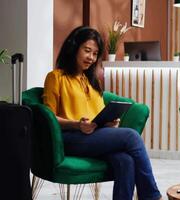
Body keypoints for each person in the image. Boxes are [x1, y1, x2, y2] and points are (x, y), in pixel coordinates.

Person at [43, 26, 161, 200]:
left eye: (95, 53)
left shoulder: (91, 81)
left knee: (125, 161)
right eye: (87, 50)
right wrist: (77, 124)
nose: (91, 57)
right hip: (69, 137)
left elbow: (97, 115)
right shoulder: (56, 77)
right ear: (74, 47)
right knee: (131, 136)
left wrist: (108, 123)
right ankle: (151, 196)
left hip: (93, 136)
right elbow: (49, 117)